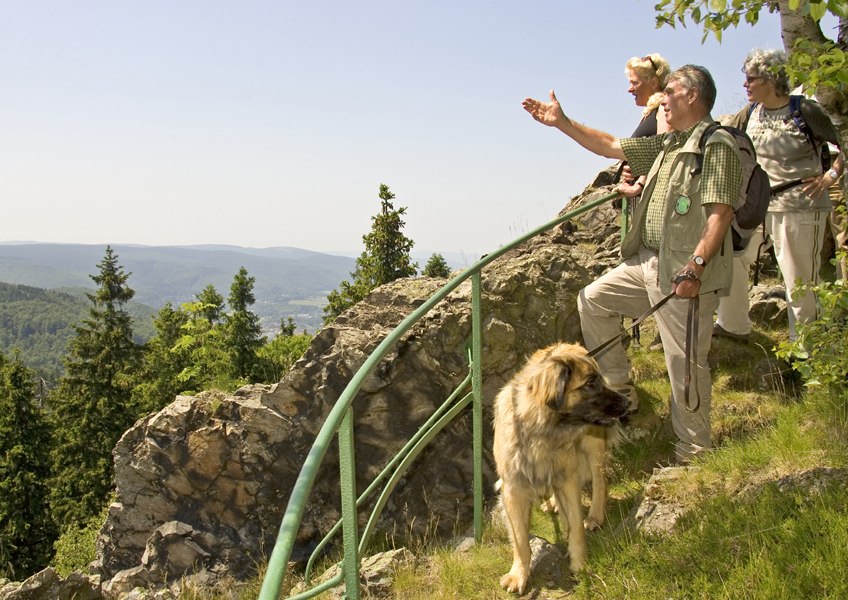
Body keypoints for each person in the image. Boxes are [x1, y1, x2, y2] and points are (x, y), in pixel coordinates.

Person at [522, 65, 743, 463]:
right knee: (594, 300)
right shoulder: (669, 143)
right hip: (648, 262)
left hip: (683, 271)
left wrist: (696, 265)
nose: (662, 100)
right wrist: (562, 122)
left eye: (670, 92)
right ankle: (621, 391)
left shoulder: (716, 144)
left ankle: (694, 452)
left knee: (684, 364)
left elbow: (720, 213)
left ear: (692, 96)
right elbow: (610, 144)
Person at [715, 49, 845, 342]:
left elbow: (844, 140)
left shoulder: (806, 110)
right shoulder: (749, 113)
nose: (745, 85)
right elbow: (720, 135)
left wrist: (831, 175)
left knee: (798, 281)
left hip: (800, 205)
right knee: (731, 256)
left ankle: (807, 353)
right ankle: (733, 325)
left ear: (771, 79)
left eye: (752, 79)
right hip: (757, 206)